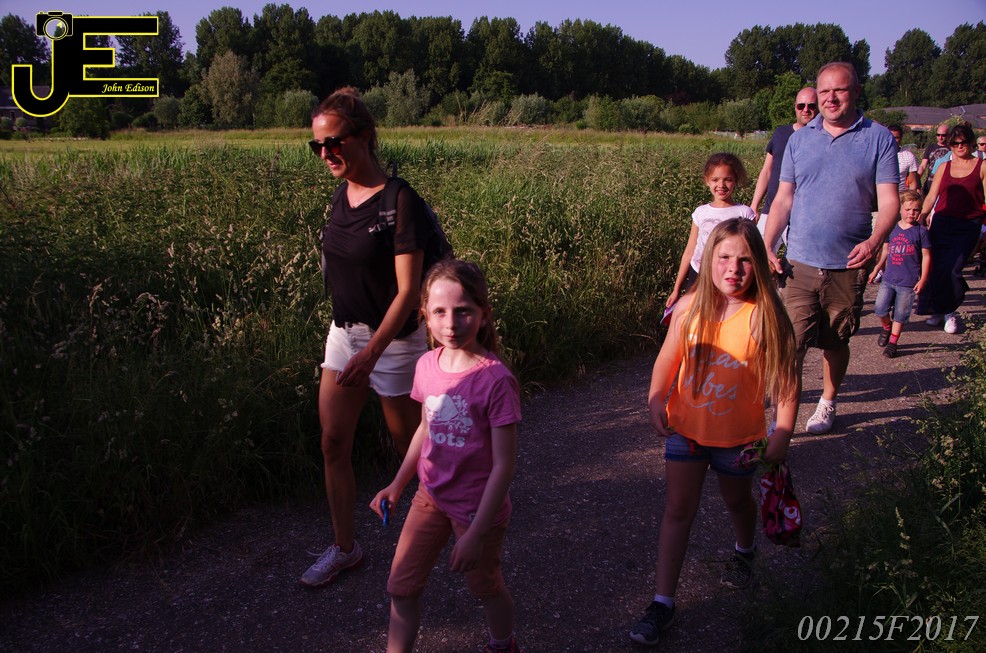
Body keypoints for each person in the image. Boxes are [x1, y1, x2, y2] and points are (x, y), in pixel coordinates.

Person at [629, 218, 798, 647]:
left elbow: (786, 381)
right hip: (685, 431)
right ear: (708, 259)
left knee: (737, 501)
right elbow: (667, 359)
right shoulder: (689, 308)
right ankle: (662, 602)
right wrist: (655, 398)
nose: (733, 269)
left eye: (745, 260)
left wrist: (783, 430)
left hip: (738, 440)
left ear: (758, 264)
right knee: (677, 510)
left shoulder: (765, 316)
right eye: (724, 257)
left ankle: (745, 550)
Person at [301, 87, 431, 588]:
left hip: (393, 344)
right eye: (316, 145)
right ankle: (345, 549)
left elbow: (408, 293)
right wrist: (355, 349)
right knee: (333, 442)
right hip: (344, 335)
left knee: (412, 449)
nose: (325, 153)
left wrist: (372, 355)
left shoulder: (399, 199)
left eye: (333, 142)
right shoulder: (342, 194)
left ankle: (455, 519)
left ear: (365, 137)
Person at [371, 260, 523, 653]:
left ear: (484, 314)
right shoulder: (426, 365)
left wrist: (476, 534)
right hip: (431, 496)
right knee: (401, 587)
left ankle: (503, 645)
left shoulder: (495, 381)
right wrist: (397, 484)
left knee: (485, 588)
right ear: (425, 314)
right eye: (439, 312)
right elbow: (426, 428)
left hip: (476, 509)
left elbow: (504, 466)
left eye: (463, 311)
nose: (451, 323)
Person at [763, 61, 899, 435]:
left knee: (835, 341)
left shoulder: (879, 139)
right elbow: (784, 199)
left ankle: (828, 400)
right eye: (824, 91)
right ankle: (780, 427)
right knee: (790, 345)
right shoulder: (799, 140)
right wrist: (768, 244)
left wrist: (875, 241)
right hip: (799, 263)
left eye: (839, 90)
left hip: (847, 265)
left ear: (856, 92)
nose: (830, 98)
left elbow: (890, 201)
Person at [915, 123, 986, 334]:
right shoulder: (944, 167)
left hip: (968, 225)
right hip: (942, 223)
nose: (959, 146)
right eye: (954, 143)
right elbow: (931, 196)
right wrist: (922, 217)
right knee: (937, 268)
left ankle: (949, 310)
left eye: (963, 142)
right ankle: (941, 311)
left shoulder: (982, 166)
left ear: (971, 143)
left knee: (954, 268)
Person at [666, 153, 756, 310]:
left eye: (727, 179)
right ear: (706, 180)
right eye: (715, 179)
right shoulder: (700, 212)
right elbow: (690, 251)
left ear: (736, 180)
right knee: (694, 313)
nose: (721, 185)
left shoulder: (745, 213)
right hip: (698, 274)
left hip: (727, 275)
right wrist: (676, 289)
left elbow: (752, 252)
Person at [751, 87, 818, 249]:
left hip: (801, 215)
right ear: (795, 107)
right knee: (759, 257)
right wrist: (754, 205)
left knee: (799, 260)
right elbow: (766, 171)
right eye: (801, 106)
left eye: (811, 106)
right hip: (770, 210)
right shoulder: (780, 133)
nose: (806, 110)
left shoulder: (822, 138)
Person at [867, 190, 931, 358]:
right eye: (908, 209)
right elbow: (885, 251)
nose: (912, 213)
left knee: (900, 315)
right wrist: (876, 268)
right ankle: (886, 328)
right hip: (889, 279)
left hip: (908, 282)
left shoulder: (921, 232)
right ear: (900, 209)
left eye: (916, 210)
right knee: (880, 309)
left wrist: (923, 279)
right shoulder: (892, 229)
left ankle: (893, 343)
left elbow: (926, 256)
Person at [918, 124, 951, 194]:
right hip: (930, 182)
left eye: (943, 135)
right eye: (938, 135)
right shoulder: (930, 148)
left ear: (948, 135)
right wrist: (917, 178)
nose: (940, 137)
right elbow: (923, 166)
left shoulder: (951, 149)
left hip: (945, 182)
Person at [888, 124, 919, 191]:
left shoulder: (909, 156)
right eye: (891, 137)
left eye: (896, 138)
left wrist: (910, 196)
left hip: (901, 194)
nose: (893, 140)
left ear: (901, 138)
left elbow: (912, 183)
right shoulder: (878, 155)